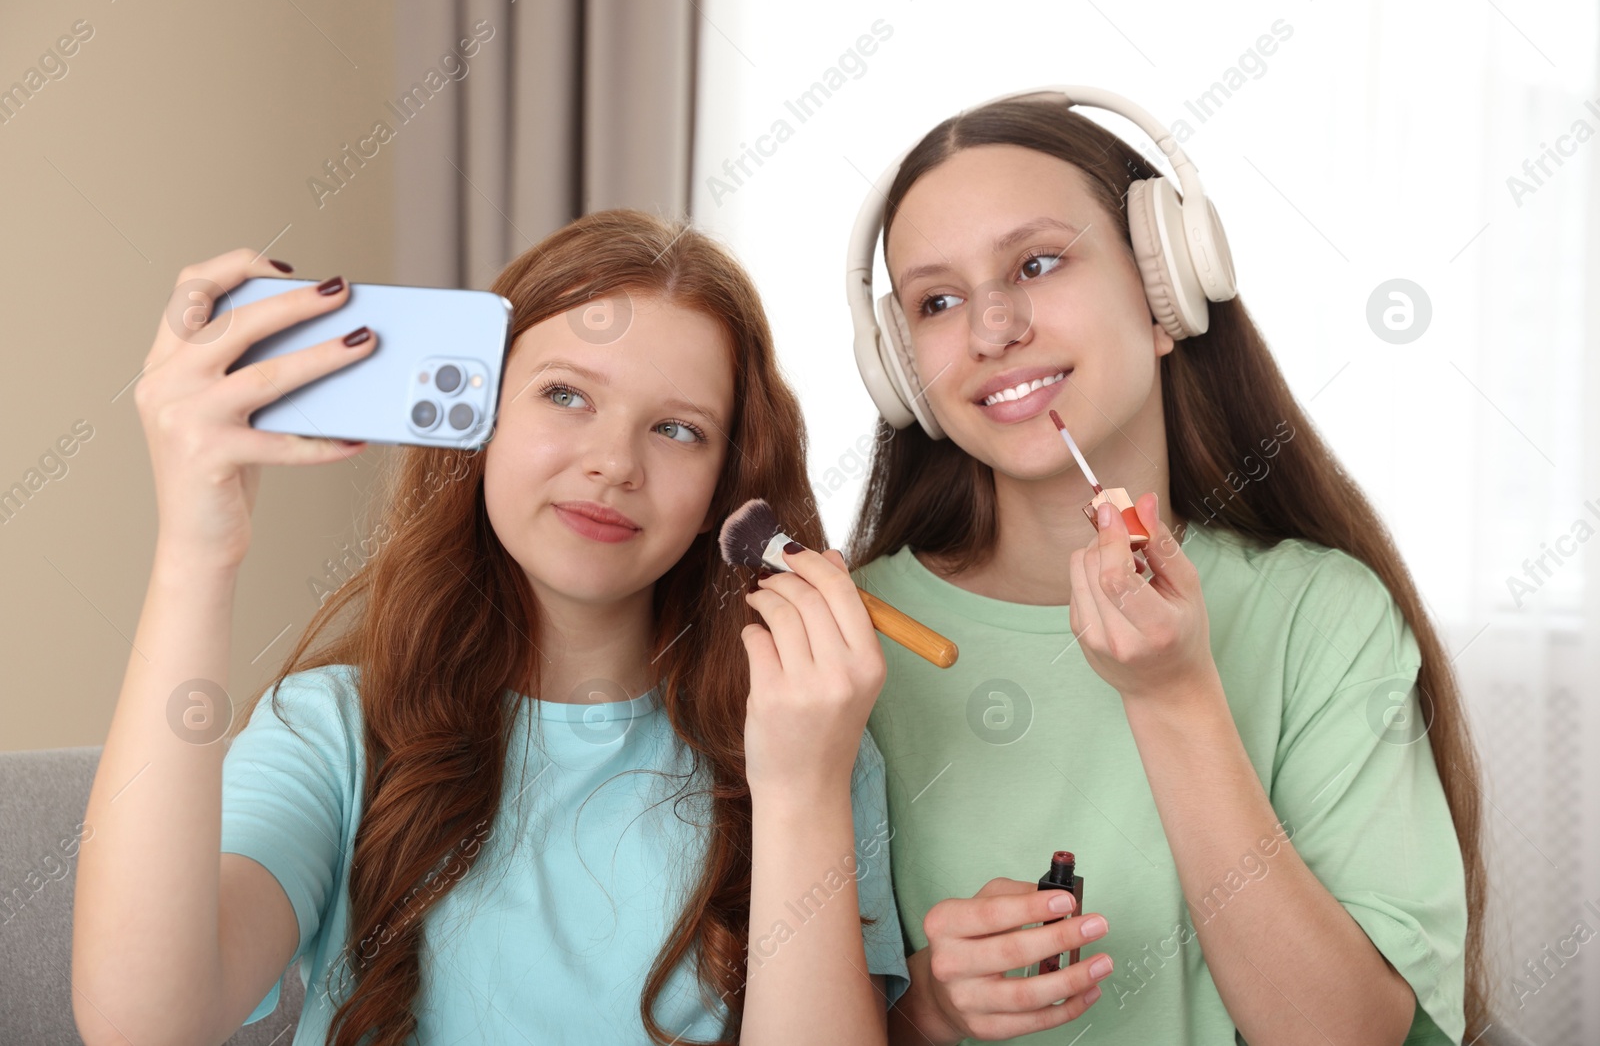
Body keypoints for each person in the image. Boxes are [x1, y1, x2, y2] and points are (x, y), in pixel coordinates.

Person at [72, 210, 909, 1046]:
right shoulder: (330, 728)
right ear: (479, 418)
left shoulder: (810, 741)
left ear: (724, 494)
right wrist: (195, 550)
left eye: (677, 429)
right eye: (565, 394)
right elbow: (146, 1024)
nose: (614, 461)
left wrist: (800, 791)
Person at [842, 92, 1484, 1045]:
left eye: (1038, 262)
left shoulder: (1322, 614)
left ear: (1166, 288)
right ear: (902, 367)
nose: (991, 328)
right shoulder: (852, 642)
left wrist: (1175, 695)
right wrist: (926, 1009)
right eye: (937, 301)